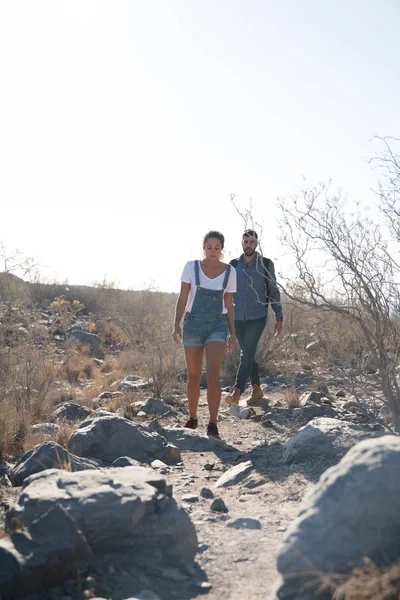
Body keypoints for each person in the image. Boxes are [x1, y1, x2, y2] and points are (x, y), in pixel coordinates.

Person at [172, 231, 237, 437]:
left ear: (222, 249)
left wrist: (232, 332)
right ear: (203, 247)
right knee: (193, 375)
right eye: (209, 247)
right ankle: (192, 418)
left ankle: (213, 422)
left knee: (213, 375)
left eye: (217, 248)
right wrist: (176, 324)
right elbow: (183, 298)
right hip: (193, 324)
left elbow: (229, 304)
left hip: (217, 326)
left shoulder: (230, 272)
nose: (213, 251)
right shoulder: (191, 267)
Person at [225, 229, 283, 406]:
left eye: (252, 242)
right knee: (249, 353)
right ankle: (257, 389)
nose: (248, 245)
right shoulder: (233, 265)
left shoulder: (265, 263)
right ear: (242, 244)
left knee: (246, 353)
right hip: (237, 317)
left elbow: (273, 290)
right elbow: (226, 292)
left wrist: (279, 317)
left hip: (258, 316)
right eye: (246, 242)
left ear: (256, 243)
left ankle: (237, 391)